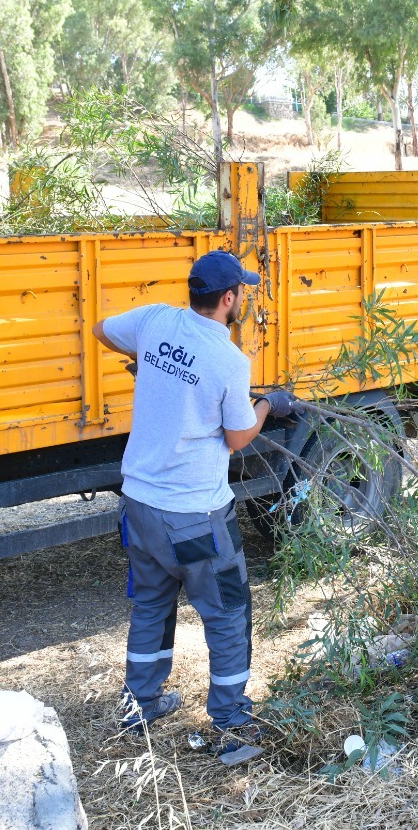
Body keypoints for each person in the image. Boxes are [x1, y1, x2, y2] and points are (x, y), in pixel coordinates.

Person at [93, 249, 294, 762]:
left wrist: (148, 367)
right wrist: (270, 405)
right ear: (228, 299)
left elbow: (101, 328)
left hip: (138, 505)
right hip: (196, 519)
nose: (243, 299)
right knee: (227, 613)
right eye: (241, 293)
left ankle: (140, 704)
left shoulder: (154, 320)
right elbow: (235, 436)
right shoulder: (229, 360)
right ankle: (229, 721)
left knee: (152, 605)